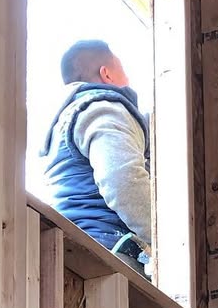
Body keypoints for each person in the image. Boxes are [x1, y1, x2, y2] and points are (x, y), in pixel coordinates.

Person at [40, 40, 152, 275]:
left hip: (72, 253)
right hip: (107, 257)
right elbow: (123, 181)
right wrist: (168, 242)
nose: (128, 81)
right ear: (107, 74)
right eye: (123, 71)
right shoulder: (104, 108)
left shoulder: (63, 121)